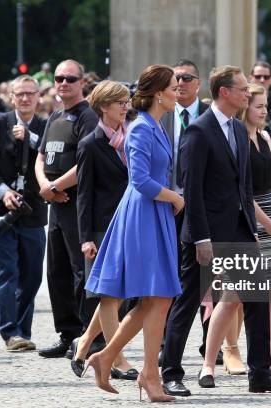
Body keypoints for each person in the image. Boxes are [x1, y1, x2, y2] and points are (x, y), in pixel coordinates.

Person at [166, 65, 271, 395]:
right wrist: (201, 238)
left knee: (256, 296)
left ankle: (261, 373)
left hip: (239, 229)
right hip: (205, 232)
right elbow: (190, 189)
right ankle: (171, 372)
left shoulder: (237, 130)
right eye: (240, 89)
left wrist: (253, 228)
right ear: (225, 92)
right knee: (188, 299)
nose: (246, 93)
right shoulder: (198, 131)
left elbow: (243, 187)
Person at [82, 65, 184, 402]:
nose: (177, 91)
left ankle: (109, 358)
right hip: (143, 215)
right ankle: (146, 373)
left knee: (158, 297)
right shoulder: (141, 129)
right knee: (158, 296)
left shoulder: (155, 125)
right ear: (158, 93)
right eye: (173, 86)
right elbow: (139, 181)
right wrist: (174, 197)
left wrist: (170, 198)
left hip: (153, 214)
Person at [199, 83, 271, 387]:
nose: (265, 111)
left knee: (268, 300)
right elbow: (241, 192)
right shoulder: (235, 139)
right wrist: (267, 223)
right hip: (245, 221)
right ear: (244, 107)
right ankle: (208, 366)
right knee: (231, 298)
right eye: (259, 106)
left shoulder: (266, 138)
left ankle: (268, 366)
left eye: (266, 106)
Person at [70, 80, 137, 380]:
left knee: (119, 295)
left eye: (127, 101)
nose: (126, 106)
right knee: (109, 296)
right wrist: (85, 238)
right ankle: (117, 358)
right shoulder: (90, 144)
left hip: (129, 226)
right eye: (120, 102)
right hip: (100, 229)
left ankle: (83, 342)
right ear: (103, 107)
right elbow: (83, 194)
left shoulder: (132, 137)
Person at [0, 75, 47, 351]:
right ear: (11, 97)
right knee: (6, 272)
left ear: (38, 96)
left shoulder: (45, 125)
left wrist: (30, 139)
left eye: (31, 93)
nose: (26, 98)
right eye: (20, 94)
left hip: (33, 210)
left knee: (32, 276)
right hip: (1, 209)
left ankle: (22, 329)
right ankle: (10, 332)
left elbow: (52, 158)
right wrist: (1, 191)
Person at [36, 60, 100, 359]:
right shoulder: (54, 116)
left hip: (77, 205)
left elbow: (86, 161)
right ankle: (67, 334)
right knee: (57, 273)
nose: (63, 83)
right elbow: (40, 157)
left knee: (81, 274)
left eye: (70, 79)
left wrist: (57, 186)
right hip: (55, 204)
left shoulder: (89, 116)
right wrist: (46, 187)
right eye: (58, 78)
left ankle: (89, 337)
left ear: (81, 82)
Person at [159, 59, 216, 366]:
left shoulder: (210, 117)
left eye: (185, 78)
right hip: (166, 206)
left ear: (198, 83)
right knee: (172, 276)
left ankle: (211, 343)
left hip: (200, 209)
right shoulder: (162, 117)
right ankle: (167, 342)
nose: (179, 83)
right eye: (175, 78)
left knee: (205, 278)